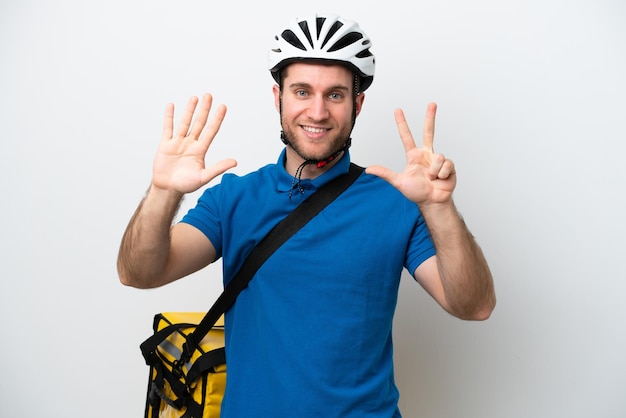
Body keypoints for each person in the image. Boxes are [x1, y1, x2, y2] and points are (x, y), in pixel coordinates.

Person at [118, 13, 495, 417]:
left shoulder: (397, 202)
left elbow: (474, 306)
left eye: (334, 95)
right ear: (278, 97)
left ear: (357, 104)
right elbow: (139, 273)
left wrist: (439, 209)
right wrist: (164, 191)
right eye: (302, 91)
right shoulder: (235, 198)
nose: (317, 112)